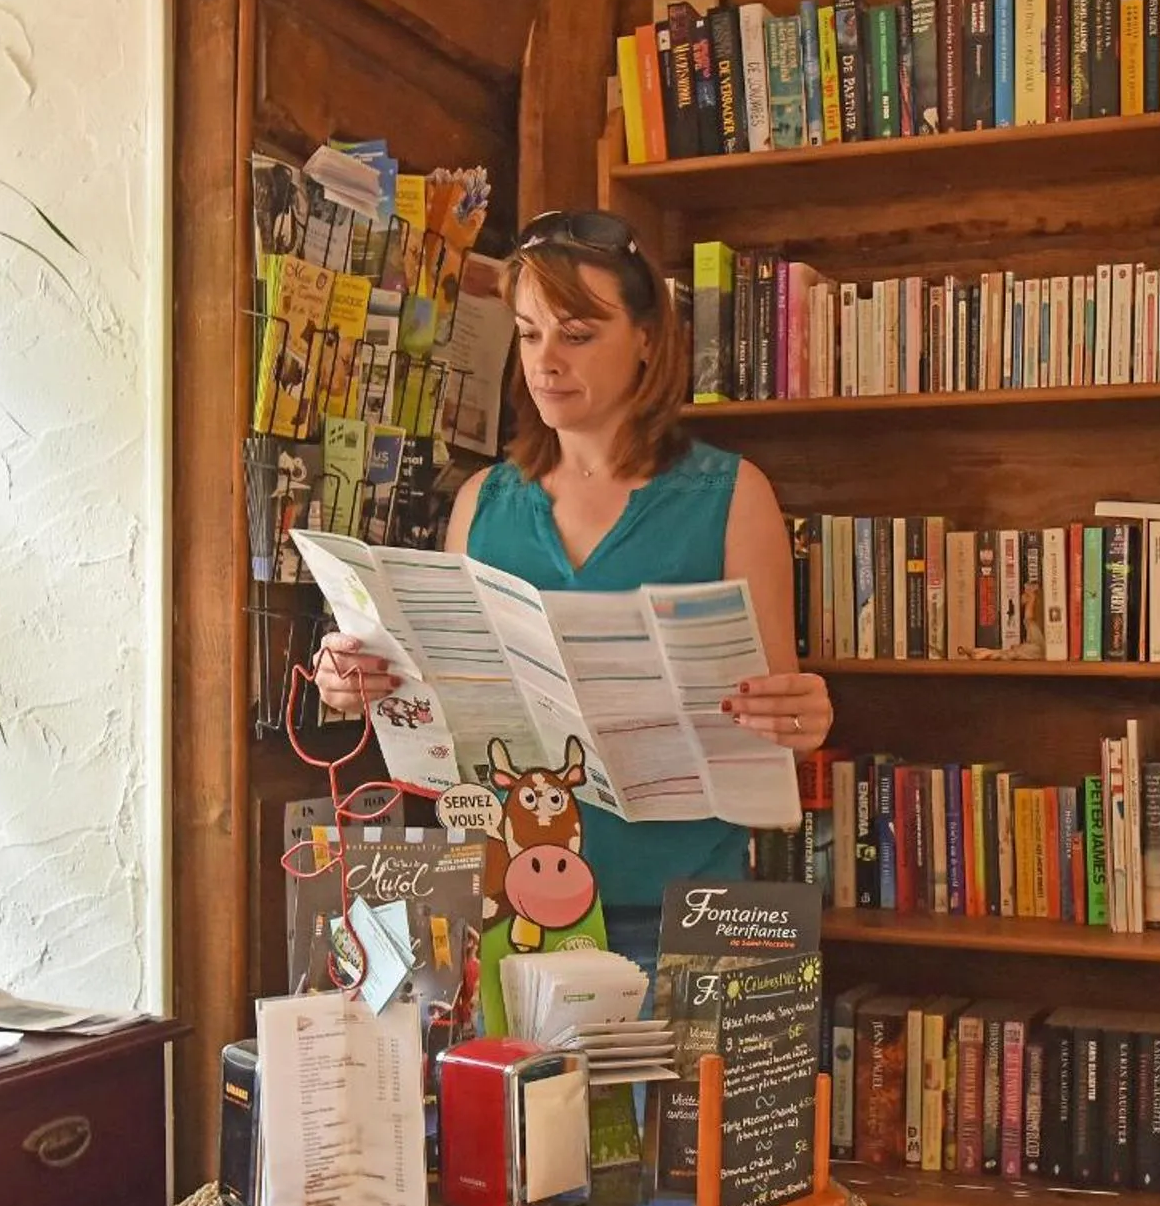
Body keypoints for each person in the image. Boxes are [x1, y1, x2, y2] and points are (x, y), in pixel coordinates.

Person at [312, 207, 833, 970]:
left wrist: (803, 715)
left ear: (647, 338)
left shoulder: (732, 495)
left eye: (577, 334)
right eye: (529, 335)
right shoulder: (483, 503)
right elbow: (444, 715)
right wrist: (359, 682)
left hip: (690, 911)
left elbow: (776, 718)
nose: (545, 361)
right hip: (513, 912)